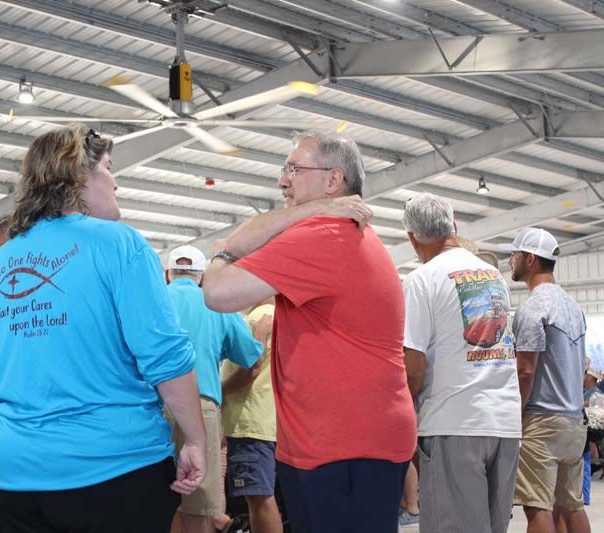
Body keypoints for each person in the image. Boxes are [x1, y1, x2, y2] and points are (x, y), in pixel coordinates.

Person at [0, 126, 207, 533]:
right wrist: (197, 441)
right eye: (109, 168)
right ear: (80, 177)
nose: (115, 181)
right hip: (112, 469)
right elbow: (166, 358)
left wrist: (30, 448)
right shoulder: (120, 244)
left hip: (14, 479)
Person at [202, 130, 417, 533]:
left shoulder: (324, 237)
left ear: (333, 180)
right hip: (341, 442)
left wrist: (224, 251)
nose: (283, 180)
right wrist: (304, 211)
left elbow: (216, 291)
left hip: (344, 446)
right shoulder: (337, 234)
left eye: (294, 169)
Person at [402, 193, 521, 533]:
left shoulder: (422, 280)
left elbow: (414, 367)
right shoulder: (492, 275)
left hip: (454, 423)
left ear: (413, 238)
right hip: (504, 423)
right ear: (453, 226)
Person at [165, 245, 263, 533]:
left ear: (168, 274)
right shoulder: (214, 303)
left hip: (151, 408)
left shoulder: (153, 299)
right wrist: (223, 388)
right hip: (201, 406)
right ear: (202, 276)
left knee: (155, 499)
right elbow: (250, 358)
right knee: (200, 505)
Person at [509, 227, 591, 533]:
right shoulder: (573, 307)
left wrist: (515, 415)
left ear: (529, 259)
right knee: (571, 505)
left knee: (537, 507)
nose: (510, 260)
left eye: (514, 255)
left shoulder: (533, 307)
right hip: (573, 421)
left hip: (542, 422)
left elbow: (525, 370)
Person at [221, 298, 283, 533]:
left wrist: (217, 392)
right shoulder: (281, 317)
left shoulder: (259, 319)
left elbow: (250, 368)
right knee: (261, 498)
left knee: (259, 498)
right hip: (268, 419)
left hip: (250, 420)